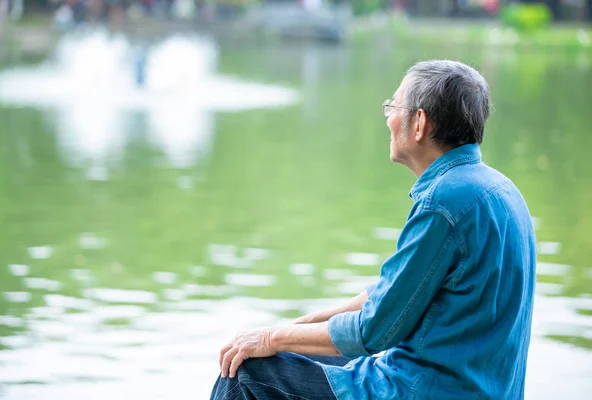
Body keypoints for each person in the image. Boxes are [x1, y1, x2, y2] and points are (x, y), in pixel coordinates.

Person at [210, 60, 537, 400]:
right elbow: (390, 295)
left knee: (244, 374)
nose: (389, 118)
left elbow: (374, 331)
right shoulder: (499, 189)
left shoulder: (445, 202)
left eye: (394, 107)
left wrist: (269, 339)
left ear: (419, 123)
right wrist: (289, 329)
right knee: (280, 351)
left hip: (423, 390)